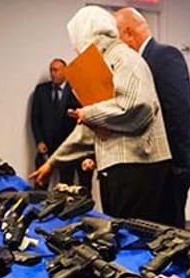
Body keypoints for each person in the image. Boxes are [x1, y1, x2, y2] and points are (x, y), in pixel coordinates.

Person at [29, 7, 170, 220]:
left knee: (131, 238)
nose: (75, 48)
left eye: (75, 40)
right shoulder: (104, 62)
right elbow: (92, 127)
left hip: (136, 168)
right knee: (119, 233)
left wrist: (88, 112)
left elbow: (136, 107)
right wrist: (52, 163)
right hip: (119, 168)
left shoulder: (125, 58)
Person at [115, 8, 190, 228]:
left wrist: (181, 165)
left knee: (171, 231)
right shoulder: (137, 63)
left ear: (127, 33)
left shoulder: (164, 56)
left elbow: (178, 111)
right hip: (152, 166)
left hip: (172, 166)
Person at [30, 58, 91, 189]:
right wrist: (39, 141)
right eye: (51, 70)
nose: (53, 73)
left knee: (66, 185)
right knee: (40, 183)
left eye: (56, 70)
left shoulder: (75, 90)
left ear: (65, 71)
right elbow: (35, 118)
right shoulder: (42, 90)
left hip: (68, 145)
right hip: (47, 145)